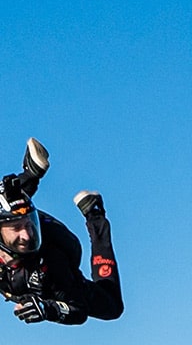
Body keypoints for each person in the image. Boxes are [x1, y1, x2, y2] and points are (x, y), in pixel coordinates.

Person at [0, 139, 122, 326]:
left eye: (27, 226)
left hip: (60, 246)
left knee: (112, 308)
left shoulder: (53, 264)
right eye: (16, 228)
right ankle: (31, 174)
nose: (26, 235)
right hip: (26, 226)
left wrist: (48, 309)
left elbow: (78, 310)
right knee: (13, 209)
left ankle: (94, 215)